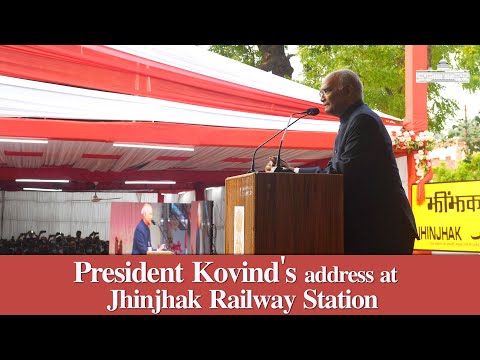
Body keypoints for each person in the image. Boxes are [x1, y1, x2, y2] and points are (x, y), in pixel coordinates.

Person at [266, 69, 418, 255]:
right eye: (320, 93)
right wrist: (293, 171)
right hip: (370, 229)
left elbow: (342, 174)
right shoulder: (351, 121)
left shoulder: (363, 120)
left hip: (383, 229)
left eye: (326, 91)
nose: (321, 98)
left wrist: (294, 174)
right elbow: (334, 169)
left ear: (347, 91)